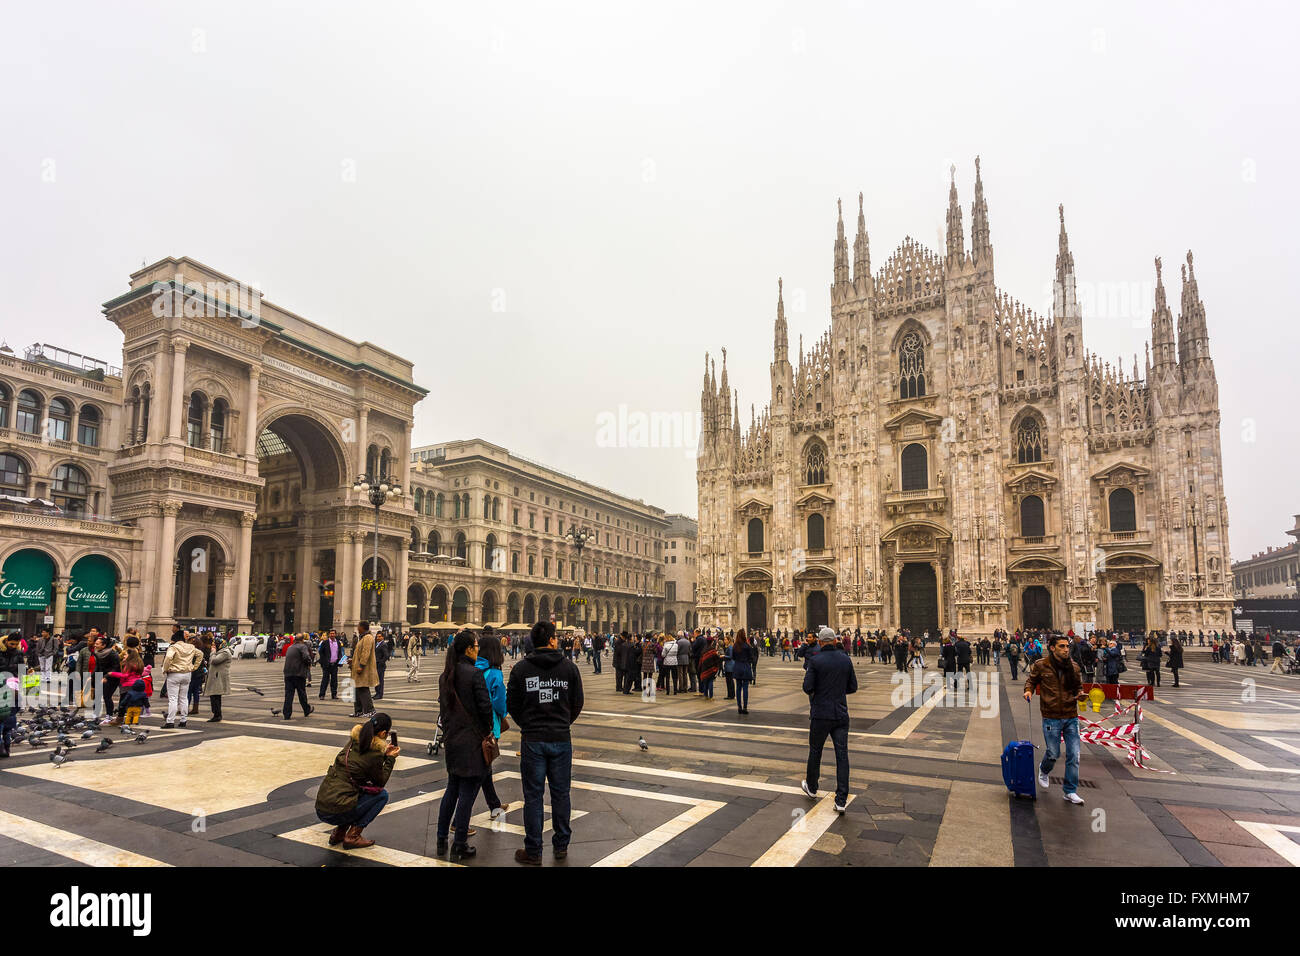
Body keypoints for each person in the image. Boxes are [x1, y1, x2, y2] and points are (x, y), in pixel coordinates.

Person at [507, 620, 584, 865]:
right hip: (561, 738)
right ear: (551, 640)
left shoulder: (520, 670)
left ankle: (533, 850)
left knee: (533, 796)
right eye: (556, 637)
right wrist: (562, 722)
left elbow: (513, 705)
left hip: (533, 740)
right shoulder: (569, 669)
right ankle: (561, 846)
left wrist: (528, 724)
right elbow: (577, 702)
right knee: (561, 794)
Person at [436, 630, 492, 861]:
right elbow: (485, 709)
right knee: (467, 793)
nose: (478, 649)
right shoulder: (474, 674)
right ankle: (459, 843)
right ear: (469, 649)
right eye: (476, 646)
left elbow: (444, 711)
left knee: (452, 789)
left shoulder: (445, 675)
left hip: (452, 741)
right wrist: (487, 730)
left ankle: (441, 838)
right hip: (471, 742)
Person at [314, 713, 399, 850]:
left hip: (321, 807)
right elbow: (380, 782)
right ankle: (352, 836)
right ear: (383, 733)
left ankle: (339, 833)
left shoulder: (353, 742)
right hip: (336, 812)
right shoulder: (374, 754)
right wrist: (390, 758)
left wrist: (383, 755)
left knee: (350, 795)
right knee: (382, 796)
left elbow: (361, 763)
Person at [1024, 634, 1089, 805]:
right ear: (1052, 648)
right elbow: (1031, 681)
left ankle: (1070, 791)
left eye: (1067, 646)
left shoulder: (1074, 667)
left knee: (1074, 755)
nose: (1066, 649)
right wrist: (1028, 691)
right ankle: (1044, 769)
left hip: (1070, 716)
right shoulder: (1041, 665)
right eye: (1062, 646)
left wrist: (1081, 695)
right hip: (1051, 716)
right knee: (1053, 753)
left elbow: (1078, 687)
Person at [800, 626, 858, 812]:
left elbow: (807, 687)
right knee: (842, 756)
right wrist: (838, 692)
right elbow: (853, 687)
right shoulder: (845, 660)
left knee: (815, 751)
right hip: (840, 714)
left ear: (819, 642)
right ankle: (841, 800)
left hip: (820, 714)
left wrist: (819, 692)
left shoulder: (815, 661)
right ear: (835, 641)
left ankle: (812, 787)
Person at [476, 633, 511, 820]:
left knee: (485, 767)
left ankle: (494, 805)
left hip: (474, 725)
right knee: (480, 770)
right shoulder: (495, 673)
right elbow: (499, 703)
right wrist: (503, 713)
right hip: (490, 726)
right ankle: (458, 822)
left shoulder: (473, 669)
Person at [162, 629, 203, 728]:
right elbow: (200, 654)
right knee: (184, 698)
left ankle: (170, 721)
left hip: (174, 674)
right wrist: (194, 667)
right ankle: (183, 719)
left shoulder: (173, 647)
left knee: (173, 699)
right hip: (187, 674)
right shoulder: (191, 647)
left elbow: (168, 658)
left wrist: (165, 669)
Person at [282, 635, 315, 720]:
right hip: (298, 673)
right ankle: (306, 710)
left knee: (288, 695)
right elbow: (306, 657)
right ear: (302, 640)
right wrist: (309, 663)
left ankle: (287, 714)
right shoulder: (302, 646)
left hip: (288, 673)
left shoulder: (290, 647)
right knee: (302, 694)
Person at [350, 623, 377, 718]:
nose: (357, 628)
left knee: (363, 688)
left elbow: (366, 652)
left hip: (364, 669)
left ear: (362, 627)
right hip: (357, 668)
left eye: (358, 626)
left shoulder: (368, 637)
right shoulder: (362, 637)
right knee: (357, 689)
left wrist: (361, 665)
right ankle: (358, 711)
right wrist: (352, 660)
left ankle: (370, 710)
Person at [206, 637, 232, 722]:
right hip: (216, 677)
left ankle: (217, 715)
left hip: (218, 678)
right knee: (214, 696)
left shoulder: (225, 652)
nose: (213, 646)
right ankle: (216, 714)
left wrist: (212, 652)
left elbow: (214, 661)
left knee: (215, 696)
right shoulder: (221, 651)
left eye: (215, 645)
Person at [732, 628, 756, 715]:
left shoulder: (735, 646)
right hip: (745, 667)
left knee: (738, 688)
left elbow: (733, 657)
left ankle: (739, 707)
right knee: (745, 688)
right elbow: (751, 658)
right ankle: (745, 707)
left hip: (737, 667)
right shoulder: (747, 646)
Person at [318, 630, 343, 699]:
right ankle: (322, 694)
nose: (332, 635)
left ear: (335, 634)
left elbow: (340, 652)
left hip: (334, 664)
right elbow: (321, 652)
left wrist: (340, 662)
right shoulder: (325, 643)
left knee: (334, 681)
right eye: (331, 633)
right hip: (326, 665)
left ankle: (334, 694)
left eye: (333, 633)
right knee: (325, 680)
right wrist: (323, 661)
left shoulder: (338, 642)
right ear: (329, 634)